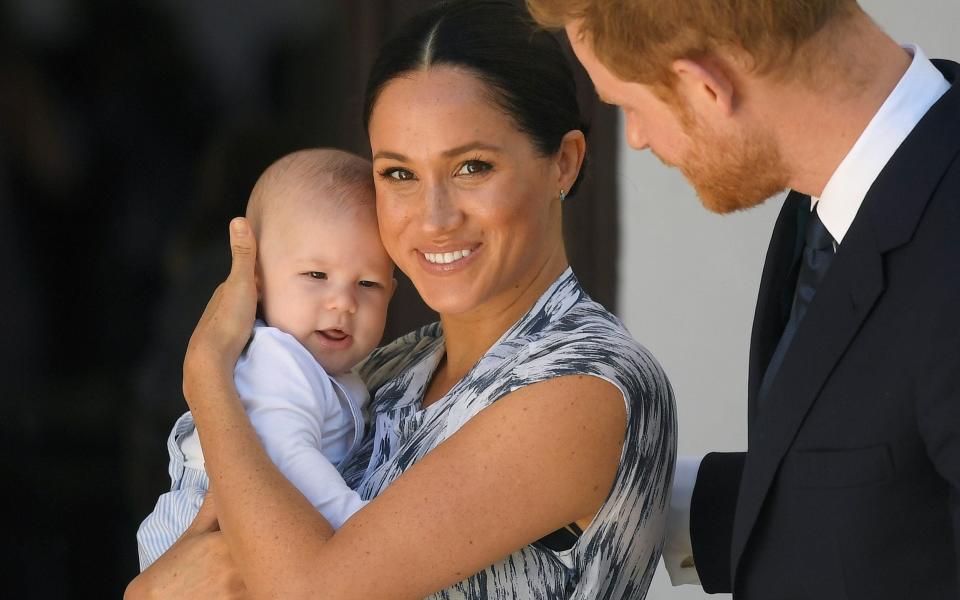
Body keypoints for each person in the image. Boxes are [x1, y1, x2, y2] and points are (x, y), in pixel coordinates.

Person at [124, 1, 676, 599]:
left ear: (563, 163)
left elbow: (310, 591)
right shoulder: (389, 369)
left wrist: (208, 375)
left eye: (472, 166)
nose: (434, 219)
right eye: (399, 174)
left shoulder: (586, 384)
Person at [526, 0, 960, 598]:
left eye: (628, 106)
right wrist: (621, 488)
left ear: (706, 86)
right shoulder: (829, 203)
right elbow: (888, 504)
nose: (639, 139)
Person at [135, 148, 395, 569]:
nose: (343, 302)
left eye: (368, 283)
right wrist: (358, 526)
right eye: (317, 275)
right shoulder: (278, 361)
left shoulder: (336, 371)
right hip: (205, 532)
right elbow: (289, 458)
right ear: (255, 279)